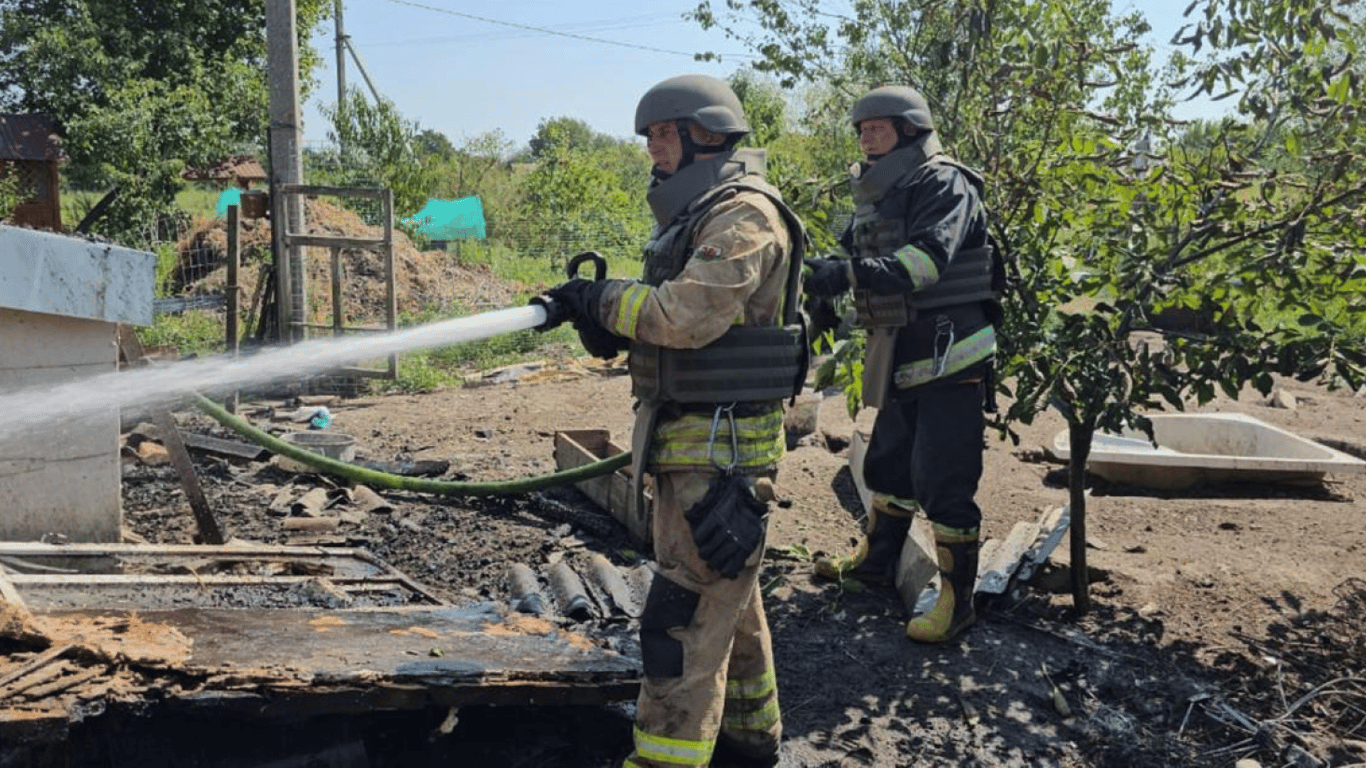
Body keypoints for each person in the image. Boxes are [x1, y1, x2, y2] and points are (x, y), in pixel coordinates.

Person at [533, 74, 807, 768]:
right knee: (730, 611)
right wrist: (604, 319)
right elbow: (680, 322)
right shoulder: (707, 212)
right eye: (650, 137)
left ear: (705, 136)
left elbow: (684, 316)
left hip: (722, 465)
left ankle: (662, 758)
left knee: (678, 627)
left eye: (662, 135)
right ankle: (750, 743)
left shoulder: (744, 217)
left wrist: (603, 301)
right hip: (695, 450)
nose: (652, 150)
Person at [805, 85, 1000, 645]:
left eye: (877, 127)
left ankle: (957, 604)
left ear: (911, 130)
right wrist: (825, 285)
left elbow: (923, 263)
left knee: (944, 481)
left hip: (948, 354)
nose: (865, 136)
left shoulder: (945, 182)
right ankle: (874, 564)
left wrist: (849, 275)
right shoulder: (881, 190)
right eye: (861, 129)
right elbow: (853, 254)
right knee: (888, 465)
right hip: (900, 352)